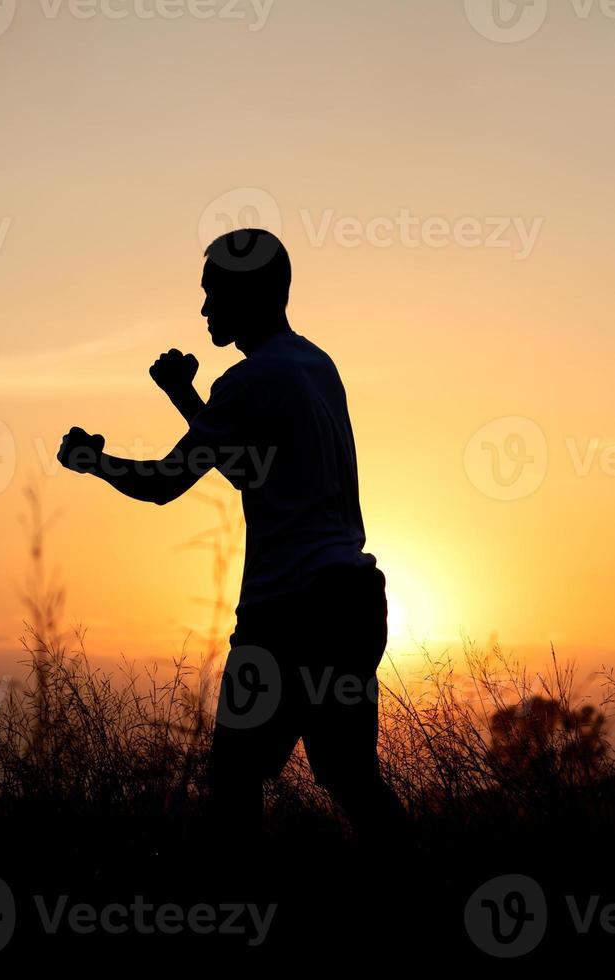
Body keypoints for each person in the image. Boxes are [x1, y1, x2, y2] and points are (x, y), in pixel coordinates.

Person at [57, 228, 408, 837]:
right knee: (353, 778)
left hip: (287, 618)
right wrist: (185, 397)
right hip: (351, 605)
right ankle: (428, 892)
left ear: (249, 296)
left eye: (212, 293)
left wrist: (94, 462)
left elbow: (166, 482)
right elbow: (252, 468)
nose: (203, 309)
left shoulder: (246, 382)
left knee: (234, 779)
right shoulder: (314, 365)